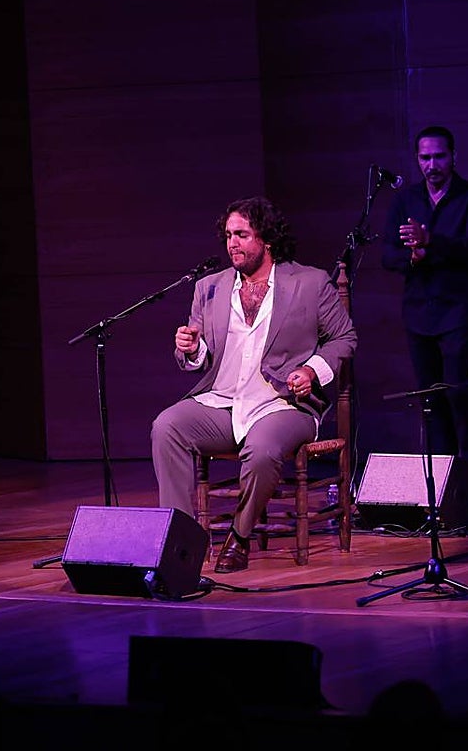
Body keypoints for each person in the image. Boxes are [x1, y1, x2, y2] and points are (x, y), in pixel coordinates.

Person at [150, 196, 357, 574]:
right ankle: (178, 540)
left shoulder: (309, 283)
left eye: (242, 234)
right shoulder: (209, 288)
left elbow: (344, 338)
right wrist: (193, 348)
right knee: (167, 426)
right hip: (223, 401)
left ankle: (239, 537)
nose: (233, 243)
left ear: (267, 239)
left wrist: (311, 371)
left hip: (282, 404)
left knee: (262, 449)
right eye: (228, 235)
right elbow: (200, 358)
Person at [381, 125, 468, 510]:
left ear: (453, 156)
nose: (432, 165)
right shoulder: (406, 199)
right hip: (418, 314)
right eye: (425, 158)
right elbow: (387, 255)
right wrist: (412, 257)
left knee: (459, 396)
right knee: (431, 401)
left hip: (457, 311)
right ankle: (444, 488)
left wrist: (431, 243)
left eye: (439, 157)